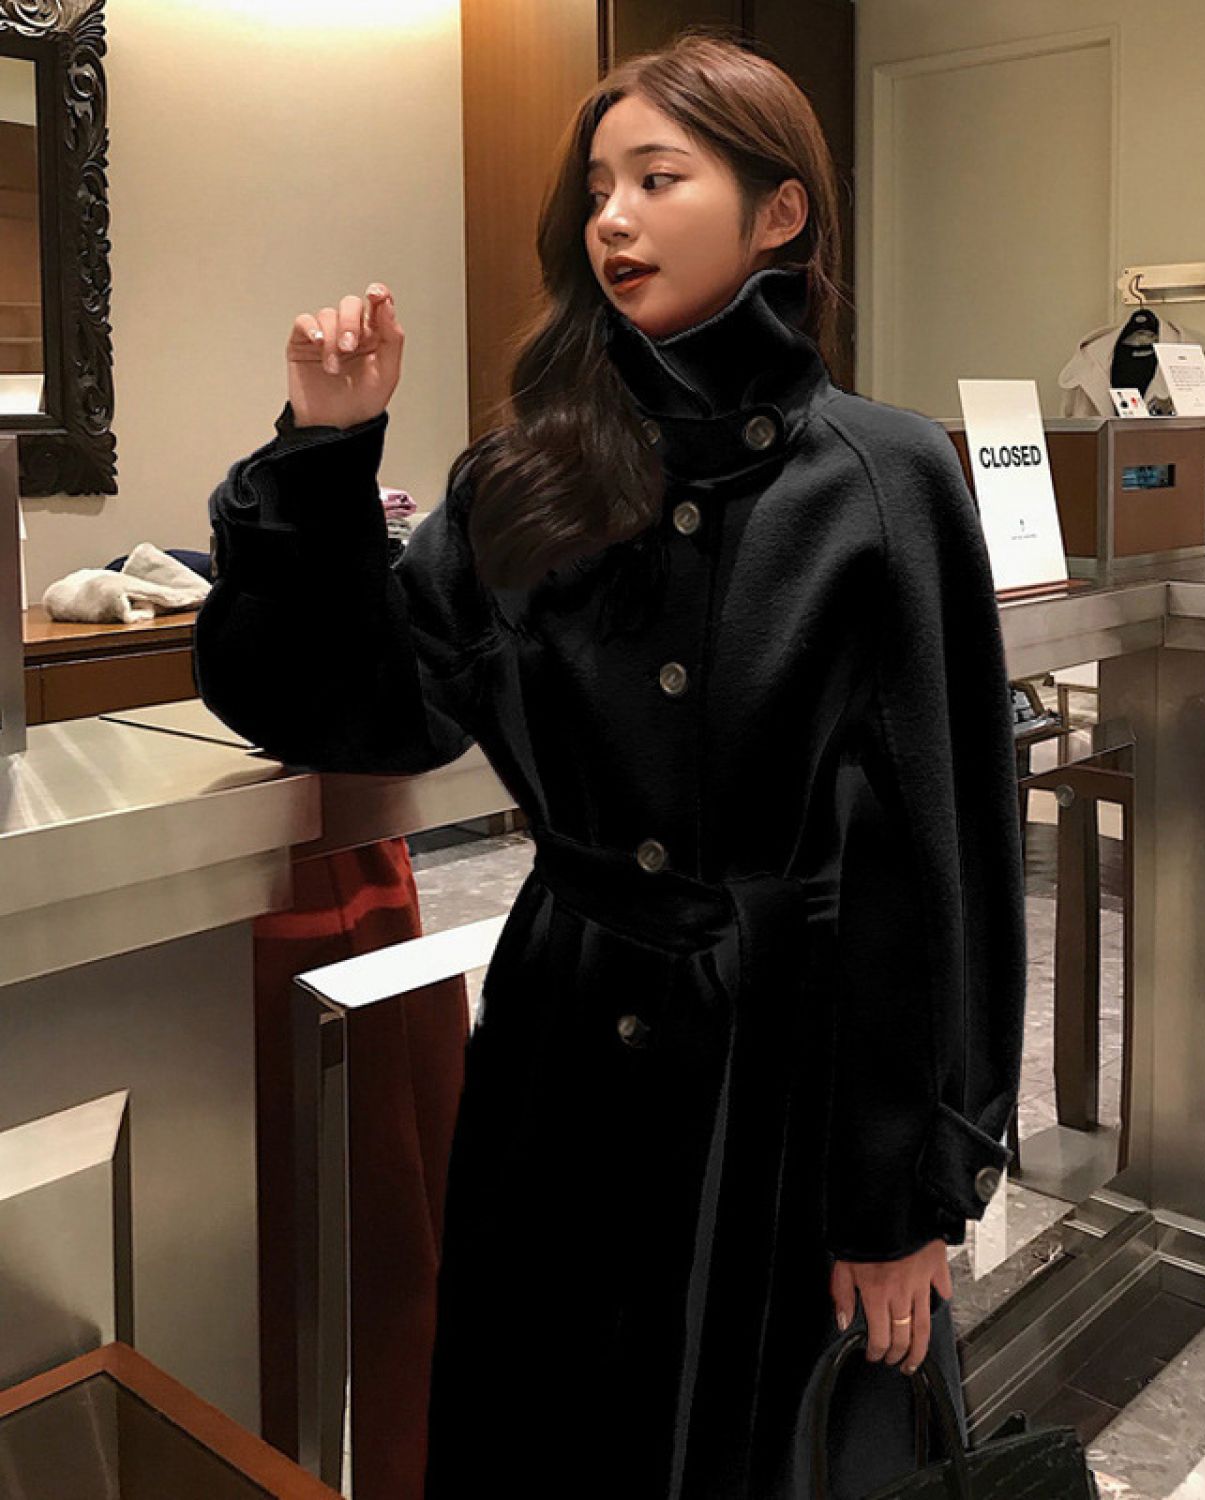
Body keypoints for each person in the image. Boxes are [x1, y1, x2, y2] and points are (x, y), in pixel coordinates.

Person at [193, 31, 1025, 1500]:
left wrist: (905, 1194)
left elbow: (942, 854)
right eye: (597, 192)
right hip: (561, 1047)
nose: (614, 221)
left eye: (658, 178)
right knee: (540, 1431)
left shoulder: (882, 479)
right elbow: (358, 714)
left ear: (779, 212)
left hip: (784, 1076)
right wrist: (325, 452)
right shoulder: (534, 476)